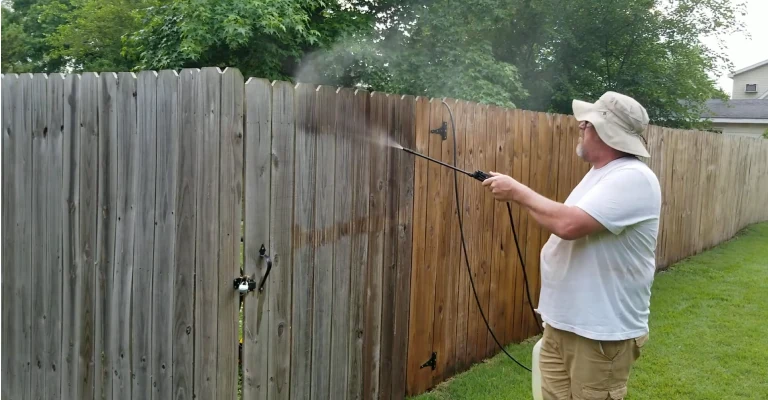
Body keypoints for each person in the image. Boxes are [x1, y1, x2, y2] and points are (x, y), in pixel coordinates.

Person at [482, 91, 662, 400]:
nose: (581, 126)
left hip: (600, 335)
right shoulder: (600, 175)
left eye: (588, 124)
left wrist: (517, 191)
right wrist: (516, 193)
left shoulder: (633, 178)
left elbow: (569, 225)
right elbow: (559, 218)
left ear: (606, 132)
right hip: (563, 325)